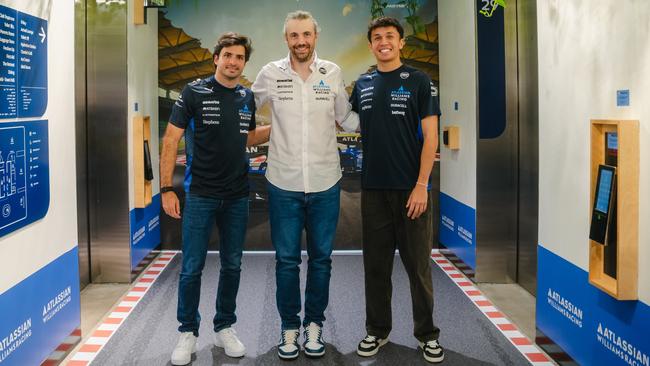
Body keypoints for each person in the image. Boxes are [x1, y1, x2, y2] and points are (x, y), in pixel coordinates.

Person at [251, 10, 358, 360]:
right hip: (283, 183)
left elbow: (348, 119)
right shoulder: (269, 74)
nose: (301, 41)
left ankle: (314, 326)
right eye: (294, 35)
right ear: (286, 39)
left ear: (316, 36)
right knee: (286, 261)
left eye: (306, 35)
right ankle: (289, 329)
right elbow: (243, 113)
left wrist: (385, 116)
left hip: (326, 182)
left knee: (322, 260)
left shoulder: (332, 73)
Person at [160, 32, 270, 366]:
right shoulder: (193, 92)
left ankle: (224, 326)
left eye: (239, 57)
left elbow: (246, 137)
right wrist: (166, 189)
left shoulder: (246, 97)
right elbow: (170, 140)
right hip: (201, 194)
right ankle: (187, 332)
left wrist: (282, 125)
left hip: (237, 196)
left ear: (243, 63)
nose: (233, 62)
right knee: (192, 267)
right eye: (228, 56)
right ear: (216, 58)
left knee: (232, 265)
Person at [349, 17, 444, 363]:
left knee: (418, 268)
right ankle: (377, 331)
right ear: (371, 44)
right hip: (373, 191)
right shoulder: (362, 83)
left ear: (401, 42)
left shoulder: (420, 81)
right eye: (377, 37)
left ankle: (427, 335)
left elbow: (431, 137)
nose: (383, 41)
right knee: (375, 268)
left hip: (411, 191)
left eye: (390, 36)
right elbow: (347, 121)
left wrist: (421, 186)